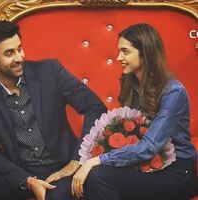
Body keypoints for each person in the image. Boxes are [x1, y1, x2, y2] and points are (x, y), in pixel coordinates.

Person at [0, 20, 107, 200]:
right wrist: (27, 181)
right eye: (9, 53)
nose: (19, 57)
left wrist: (76, 160)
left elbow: (95, 107)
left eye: (19, 48)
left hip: (61, 170)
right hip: (20, 176)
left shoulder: (50, 71)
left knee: (55, 198)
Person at [71, 23, 198, 200]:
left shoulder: (173, 92)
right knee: (96, 177)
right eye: (119, 51)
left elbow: (149, 146)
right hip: (147, 165)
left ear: (145, 54)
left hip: (177, 170)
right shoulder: (132, 84)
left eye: (125, 51)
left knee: (99, 175)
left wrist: (96, 160)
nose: (118, 57)